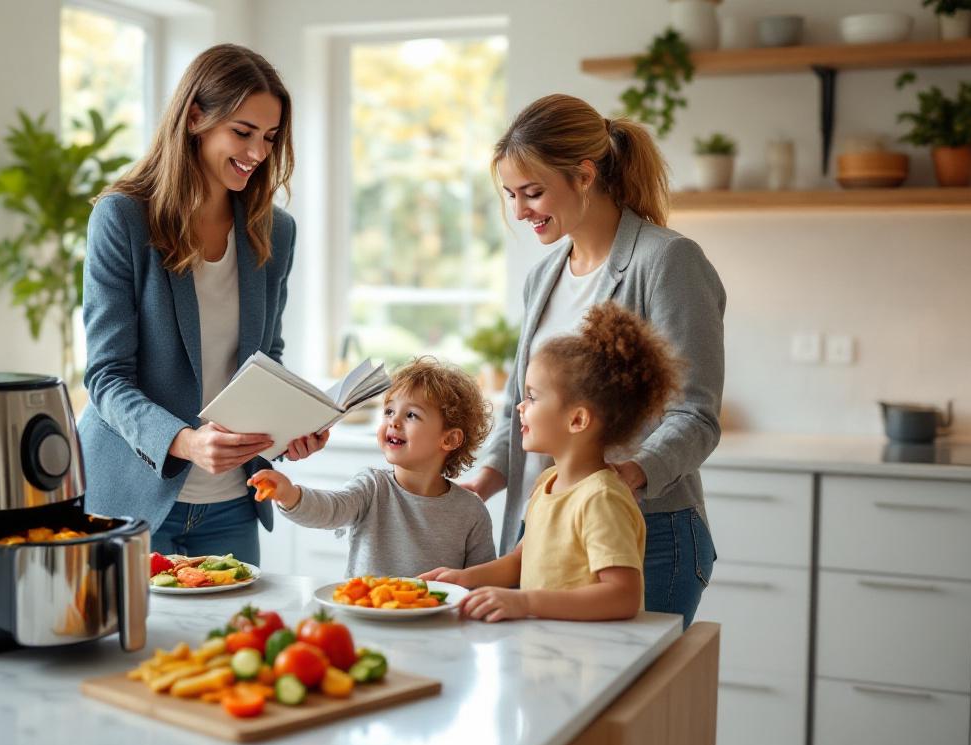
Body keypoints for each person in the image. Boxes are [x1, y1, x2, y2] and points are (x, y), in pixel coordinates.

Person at [460, 93, 726, 627]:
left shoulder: (667, 261)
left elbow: (695, 415)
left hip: (646, 535)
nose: (520, 212)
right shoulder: (544, 277)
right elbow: (524, 399)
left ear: (584, 176)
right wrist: (483, 480)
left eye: (533, 193)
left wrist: (628, 475)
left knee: (635, 710)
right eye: (511, 195)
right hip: (549, 532)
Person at [78, 44, 327, 566]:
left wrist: (287, 430)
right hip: (133, 502)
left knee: (233, 646)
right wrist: (187, 442)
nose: (258, 153)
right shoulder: (122, 219)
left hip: (234, 504)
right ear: (196, 117)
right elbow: (106, 377)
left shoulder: (274, 233)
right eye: (242, 132)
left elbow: (265, 361)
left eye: (270, 137)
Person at [422, 303, 682, 622]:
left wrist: (526, 602)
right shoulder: (547, 483)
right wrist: (462, 579)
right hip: (548, 654)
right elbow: (521, 560)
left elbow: (622, 595)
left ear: (577, 419)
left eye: (533, 396)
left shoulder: (602, 498)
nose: (520, 406)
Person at [248, 357, 496, 578]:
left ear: (450, 439)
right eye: (389, 411)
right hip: (367, 617)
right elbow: (331, 508)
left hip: (437, 626)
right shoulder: (371, 487)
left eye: (411, 415)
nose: (394, 422)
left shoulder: (471, 512)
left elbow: (482, 582)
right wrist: (288, 494)